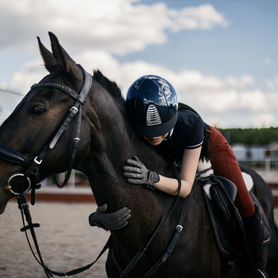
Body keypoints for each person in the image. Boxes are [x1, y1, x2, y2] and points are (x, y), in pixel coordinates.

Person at [121, 75, 267, 278]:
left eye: (158, 130)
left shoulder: (191, 124)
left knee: (245, 204)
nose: (152, 136)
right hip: (174, 153)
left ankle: (257, 267)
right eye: (146, 132)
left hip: (212, 147)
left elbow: (186, 187)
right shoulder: (139, 125)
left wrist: (151, 177)